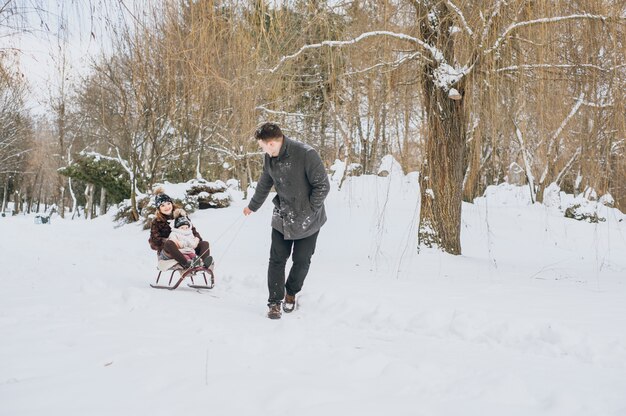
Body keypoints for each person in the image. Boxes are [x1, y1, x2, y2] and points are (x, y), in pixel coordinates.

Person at [243, 122, 330, 319]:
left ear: (272, 143)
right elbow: (265, 182)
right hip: (282, 216)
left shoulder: (306, 154)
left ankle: (290, 293)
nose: (262, 149)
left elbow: (322, 186)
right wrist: (253, 206)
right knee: (276, 260)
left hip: (308, 219)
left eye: (262, 146)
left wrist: (309, 210)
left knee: (301, 261)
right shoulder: (270, 158)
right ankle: (274, 301)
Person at [148, 191, 213, 270]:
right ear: (159, 208)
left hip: (187, 247)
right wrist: (174, 242)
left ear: (172, 204)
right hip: (169, 251)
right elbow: (154, 241)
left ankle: (203, 263)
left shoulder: (181, 216)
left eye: (168, 203)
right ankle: (187, 264)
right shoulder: (157, 222)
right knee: (169, 243)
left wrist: (194, 240)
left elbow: (193, 231)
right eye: (163, 205)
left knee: (204, 244)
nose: (167, 207)